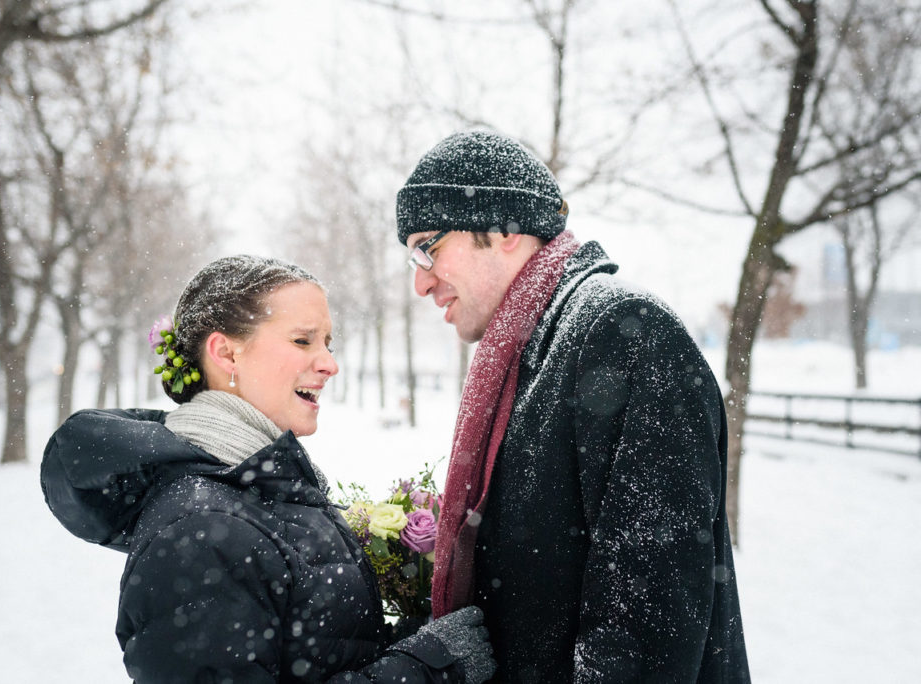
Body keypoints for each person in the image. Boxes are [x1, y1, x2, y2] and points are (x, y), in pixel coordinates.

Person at [396, 130, 750, 682]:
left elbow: (644, 627)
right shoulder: (526, 355)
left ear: (506, 228)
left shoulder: (623, 335)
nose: (420, 282)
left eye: (428, 247)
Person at [41, 255, 496, 684]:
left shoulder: (262, 490)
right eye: (303, 340)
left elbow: (330, 654)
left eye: (327, 344)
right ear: (226, 354)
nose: (330, 364)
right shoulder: (200, 530)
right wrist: (426, 669)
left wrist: (422, 638)